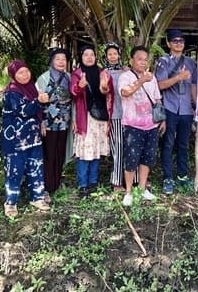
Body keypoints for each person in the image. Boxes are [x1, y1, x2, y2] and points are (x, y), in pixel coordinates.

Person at [1, 60, 51, 217]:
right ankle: (11, 203)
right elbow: (23, 111)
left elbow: (38, 111)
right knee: (14, 171)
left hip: (33, 138)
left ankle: (37, 197)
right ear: (13, 75)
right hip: (15, 140)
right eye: (20, 73)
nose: (25, 75)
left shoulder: (31, 88)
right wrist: (38, 101)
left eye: (26, 71)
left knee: (36, 168)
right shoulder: (12, 91)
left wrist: (42, 122)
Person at [118, 46, 166, 205]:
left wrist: (162, 119)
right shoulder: (125, 76)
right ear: (131, 60)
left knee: (147, 158)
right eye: (139, 59)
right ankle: (128, 192)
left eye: (145, 59)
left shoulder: (152, 78)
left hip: (151, 125)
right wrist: (141, 80)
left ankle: (142, 188)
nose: (143, 62)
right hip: (133, 125)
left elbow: (157, 99)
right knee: (131, 159)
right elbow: (125, 92)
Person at [155, 29, 198, 195]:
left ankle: (182, 175)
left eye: (181, 41)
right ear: (168, 43)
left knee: (183, 144)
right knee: (168, 143)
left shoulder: (190, 62)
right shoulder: (163, 62)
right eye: (175, 41)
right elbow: (160, 85)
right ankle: (168, 178)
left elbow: (193, 85)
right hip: (170, 108)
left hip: (186, 109)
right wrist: (178, 77)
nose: (178, 43)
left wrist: (196, 105)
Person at [71, 45, 113, 198]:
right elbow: (73, 93)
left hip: (101, 117)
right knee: (84, 152)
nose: (89, 57)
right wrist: (79, 87)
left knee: (96, 150)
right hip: (86, 117)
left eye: (92, 55)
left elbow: (109, 92)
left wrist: (105, 88)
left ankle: (93, 182)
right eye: (86, 55)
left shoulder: (103, 72)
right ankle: (83, 184)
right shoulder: (77, 74)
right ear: (81, 57)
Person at [36, 48, 73, 201]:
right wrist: (40, 122)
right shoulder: (43, 78)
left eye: (63, 59)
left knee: (60, 152)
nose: (61, 62)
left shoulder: (69, 77)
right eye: (58, 59)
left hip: (64, 122)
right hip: (48, 123)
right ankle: (46, 186)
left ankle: (56, 182)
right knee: (48, 153)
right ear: (51, 61)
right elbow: (37, 101)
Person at [103, 42, 134, 192]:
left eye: (115, 53)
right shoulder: (104, 72)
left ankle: (133, 180)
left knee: (131, 147)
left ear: (119, 55)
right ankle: (117, 182)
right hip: (115, 114)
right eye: (109, 54)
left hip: (130, 115)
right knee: (118, 148)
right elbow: (103, 90)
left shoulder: (127, 71)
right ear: (106, 56)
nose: (113, 56)